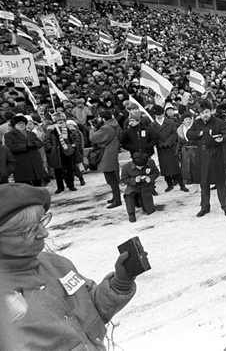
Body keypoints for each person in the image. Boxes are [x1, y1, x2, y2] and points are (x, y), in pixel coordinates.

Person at [0, 183, 136, 350]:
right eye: (28, 230)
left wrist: (119, 283)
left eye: (42, 222)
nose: (44, 233)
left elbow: (89, 309)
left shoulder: (57, 264)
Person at [187, 100, 226, 217]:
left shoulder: (218, 122)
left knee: (221, 182)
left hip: (216, 155)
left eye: (206, 112)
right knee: (204, 183)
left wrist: (222, 139)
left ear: (211, 111)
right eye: (202, 113)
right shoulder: (196, 123)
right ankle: (205, 207)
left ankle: (225, 206)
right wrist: (199, 134)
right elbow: (189, 134)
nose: (204, 115)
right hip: (201, 156)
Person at [150, 105, 188, 193]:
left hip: (171, 147)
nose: (159, 116)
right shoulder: (152, 125)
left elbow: (174, 134)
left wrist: (168, 143)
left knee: (176, 167)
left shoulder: (170, 122)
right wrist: (160, 144)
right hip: (161, 149)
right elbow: (154, 137)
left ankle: (182, 185)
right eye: (157, 115)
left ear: (163, 113)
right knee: (164, 167)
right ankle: (169, 184)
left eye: (160, 114)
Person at [89, 111, 123, 209]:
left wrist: (92, 129)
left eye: (99, 118)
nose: (97, 119)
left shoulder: (106, 128)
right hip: (111, 153)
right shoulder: (114, 125)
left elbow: (93, 138)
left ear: (103, 119)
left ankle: (117, 200)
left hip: (108, 155)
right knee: (112, 177)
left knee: (111, 178)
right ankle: (115, 197)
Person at [44, 112, 83, 194]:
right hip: (56, 152)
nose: (60, 121)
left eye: (62, 119)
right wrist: (50, 148)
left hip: (68, 151)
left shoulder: (70, 128)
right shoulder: (51, 130)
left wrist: (73, 146)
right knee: (58, 170)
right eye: (58, 120)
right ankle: (60, 187)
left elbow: (76, 138)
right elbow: (47, 140)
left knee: (70, 169)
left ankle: (71, 185)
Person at [3, 115, 46, 186]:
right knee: (24, 184)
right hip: (21, 162)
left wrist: (34, 144)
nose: (21, 125)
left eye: (23, 123)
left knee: (37, 182)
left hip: (34, 161)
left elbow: (40, 142)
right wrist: (25, 146)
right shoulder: (9, 135)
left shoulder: (31, 133)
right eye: (19, 123)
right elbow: (10, 147)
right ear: (14, 125)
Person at [120, 152, 160, 223]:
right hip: (134, 185)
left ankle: (143, 204)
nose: (141, 168)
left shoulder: (151, 162)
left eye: (142, 166)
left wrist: (150, 178)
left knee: (149, 210)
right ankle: (131, 213)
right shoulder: (126, 167)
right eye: (139, 167)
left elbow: (156, 172)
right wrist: (134, 180)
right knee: (128, 194)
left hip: (146, 185)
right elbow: (124, 179)